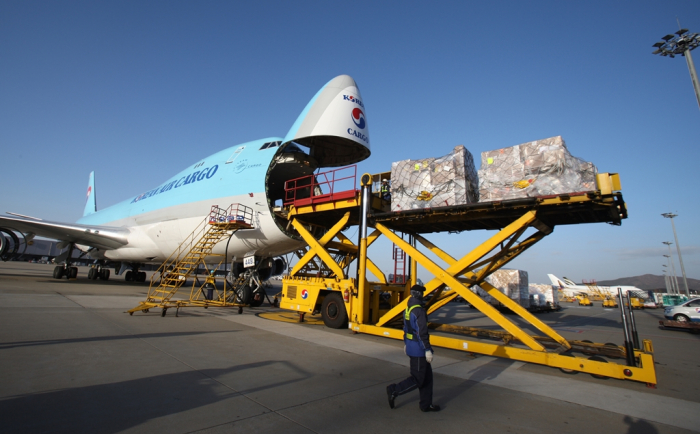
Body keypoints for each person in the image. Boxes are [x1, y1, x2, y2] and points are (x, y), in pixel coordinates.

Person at [386, 285, 440, 412]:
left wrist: (406, 343)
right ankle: (394, 390)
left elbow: (406, 329)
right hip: (418, 351)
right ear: (419, 295)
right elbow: (422, 333)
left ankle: (426, 404)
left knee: (427, 378)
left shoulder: (408, 309)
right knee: (417, 379)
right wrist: (427, 349)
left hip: (412, 347)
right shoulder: (419, 311)